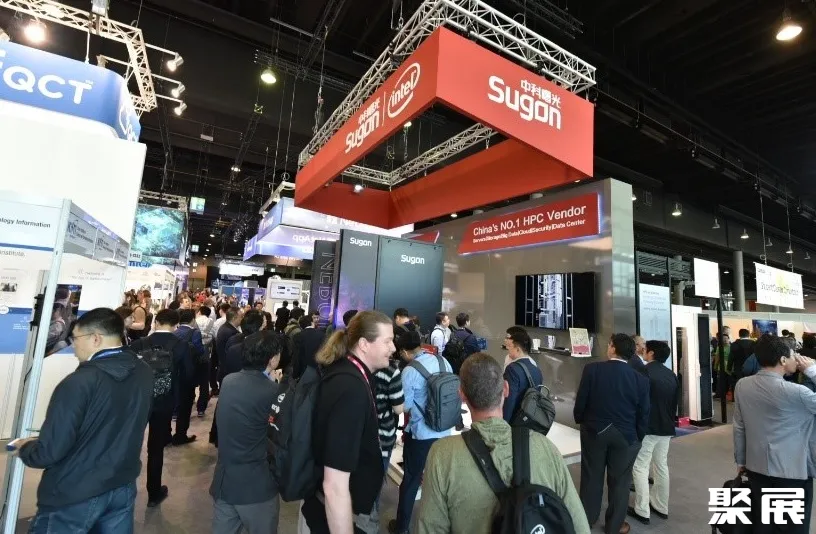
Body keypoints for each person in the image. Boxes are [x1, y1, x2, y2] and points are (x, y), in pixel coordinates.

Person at [415, 353, 590, 534]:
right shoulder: (545, 448)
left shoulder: (443, 455)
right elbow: (579, 525)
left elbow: (430, 528)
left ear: (462, 395)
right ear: (506, 389)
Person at [16, 308, 153, 532]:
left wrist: (25, 448)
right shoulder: (143, 371)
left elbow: (50, 452)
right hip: (122, 485)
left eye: (76, 339)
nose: (73, 347)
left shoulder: (78, 382)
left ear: (96, 338)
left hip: (74, 492)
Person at [301, 311, 394, 534]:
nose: (393, 348)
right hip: (338, 514)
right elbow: (334, 485)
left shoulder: (349, 373)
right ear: (364, 344)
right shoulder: (350, 389)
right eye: (387, 341)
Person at [734, 335, 816, 534]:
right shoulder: (797, 393)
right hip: (791, 473)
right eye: (793, 355)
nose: (797, 358)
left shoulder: (742, 385)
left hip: (755, 466)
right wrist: (812, 371)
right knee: (791, 528)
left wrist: (741, 461)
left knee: (763, 524)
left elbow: (739, 427)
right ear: (783, 360)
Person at [574, 333, 650, 534]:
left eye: (609, 344)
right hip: (626, 436)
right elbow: (644, 412)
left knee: (591, 477)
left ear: (613, 348)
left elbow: (581, 400)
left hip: (594, 432)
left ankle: (587, 519)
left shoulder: (592, 369)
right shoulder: (640, 379)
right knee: (621, 482)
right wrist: (638, 436)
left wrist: (581, 420)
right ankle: (614, 525)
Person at [211, 331, 283, 534]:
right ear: (272, 359)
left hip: (225, 482)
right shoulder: (273, 391)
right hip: (256, 486)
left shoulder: (229, 381)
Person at [389, 327, 455, 534]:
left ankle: (402, 528)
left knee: (411, 481)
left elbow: (405, 407)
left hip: (420, 435)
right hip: (445, 432)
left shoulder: (410, 371)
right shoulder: (444, 362)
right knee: (439, 483)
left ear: (404, 352)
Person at [130, 309, 194, 507]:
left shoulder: (139, 344)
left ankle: (123, 490)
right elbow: (188, 375)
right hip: (165, 401)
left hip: (139, 400)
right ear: (176, 325)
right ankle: (154, 492)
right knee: (155, 448)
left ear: (156, 322)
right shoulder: (182, 346)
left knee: (129, 444)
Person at [629, 340, 679, 525]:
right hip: (666, 427)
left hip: (648, 428)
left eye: (645, 349)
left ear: (651, 353)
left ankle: (642, 510)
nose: (642, 351)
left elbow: (637, 401)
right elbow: (674, 404)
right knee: (661, 466)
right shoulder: (671, 375)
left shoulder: (643, 372)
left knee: (640, 467)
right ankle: (661, 505)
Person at [173, 309, 204, 445]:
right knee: (186, 406)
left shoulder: (175, 332)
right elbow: (200, 350)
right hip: (189, 373)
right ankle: (181, 435)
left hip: (175, 373)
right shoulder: (194, 333)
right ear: (192, 320)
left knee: (176, 401)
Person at [502, 327, 543, 423]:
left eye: (510, 347)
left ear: (517, 349)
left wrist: (504, 423)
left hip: (515, 418)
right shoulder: (536, 369)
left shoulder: (512, 369)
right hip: (528, 417)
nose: (508, 348)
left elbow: (509, 400)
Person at [221, 310, 267, 380]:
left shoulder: (233, 347)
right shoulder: (261, 349)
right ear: (259, 328)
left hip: (231, 381)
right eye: (263, 323)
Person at [293, 313, 327, 379]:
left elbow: (296, 357)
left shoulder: (297, 336)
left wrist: (295, 374)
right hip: (318, 371)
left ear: (300, 326)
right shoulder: (322, 335)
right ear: (312, 323)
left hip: (303, 372)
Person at [195, 305, 214, 416]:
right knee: (204, 381)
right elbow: (214, 336)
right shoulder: (212, 322)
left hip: (195, 352)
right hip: (206, 353)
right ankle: (201, 408)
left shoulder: (195, 321)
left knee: (191, 379)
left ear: (200, 312)